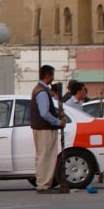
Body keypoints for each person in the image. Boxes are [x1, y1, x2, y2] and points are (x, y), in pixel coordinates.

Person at [30, 65, 67, 194]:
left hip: (41, 127)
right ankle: (43, 184)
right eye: (52, 75)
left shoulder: (40, 90)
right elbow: (44, 113)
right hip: (45, 128)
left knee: (43, 156)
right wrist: (58, 122)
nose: (53, 78)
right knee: (46, 156)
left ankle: (43, 183)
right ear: (48, 76)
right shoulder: (42, 92)